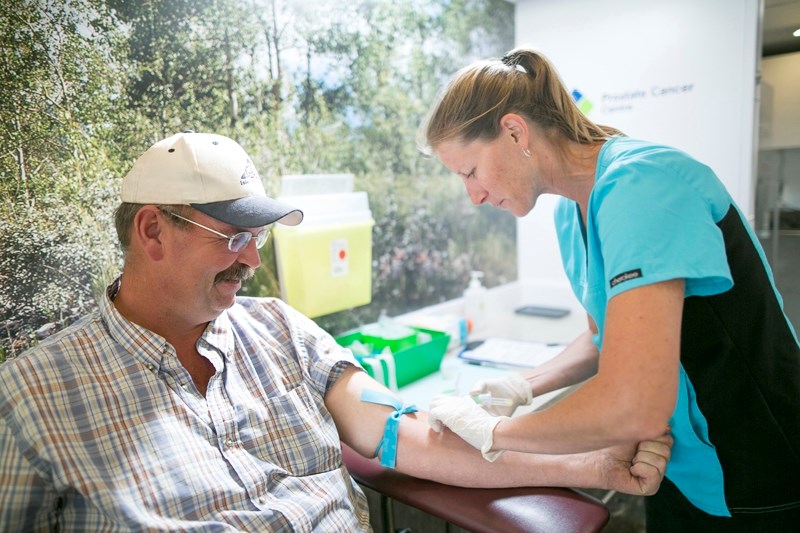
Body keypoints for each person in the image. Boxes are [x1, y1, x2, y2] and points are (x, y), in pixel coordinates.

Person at [0, 131, 672, 531]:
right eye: (234, 237)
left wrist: (586, 464)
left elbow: (407, 435)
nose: (255, 260)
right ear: (151, 231)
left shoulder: (281, 332)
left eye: (258, 237)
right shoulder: (32, 399)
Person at [420, 47, 800, 531]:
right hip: (676, 465)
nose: (473, 196)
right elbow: (605, 337)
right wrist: (522, 385)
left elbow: (634, 405)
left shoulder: (642, 183)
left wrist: (496, 433)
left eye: (469, 172)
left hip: (758, 465)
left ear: (515, 131)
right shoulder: (570, 210)